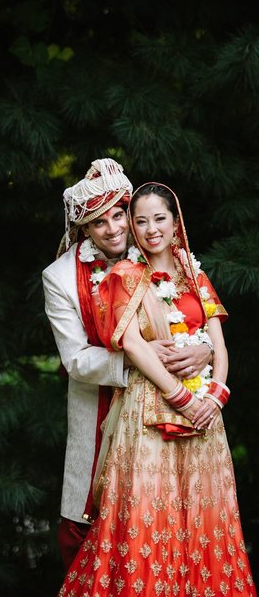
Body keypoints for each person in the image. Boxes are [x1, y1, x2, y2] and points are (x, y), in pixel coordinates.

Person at [57, 182, 257, 596]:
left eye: (159, 219)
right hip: (149, 407)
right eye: (141, 221)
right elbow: (127, 343)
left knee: (203, 516)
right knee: (149, 515)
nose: (149, 229)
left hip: (205, 414)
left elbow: (216, 340)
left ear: (175, 220)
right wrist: (180, 396)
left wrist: (215, 395)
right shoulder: (124, 275)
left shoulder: (192, 270)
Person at [42, 162, 213, 571]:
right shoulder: (60, 278)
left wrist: (203, 350)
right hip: (102, 411)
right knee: (95, 523)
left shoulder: (157, 249)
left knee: (175, 520)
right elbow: (77, 359)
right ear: (83, 229)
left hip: (174, 406)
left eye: (119, 215)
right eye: (98, 222)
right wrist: (144, 359)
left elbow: (195, 316)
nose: (113, 229)